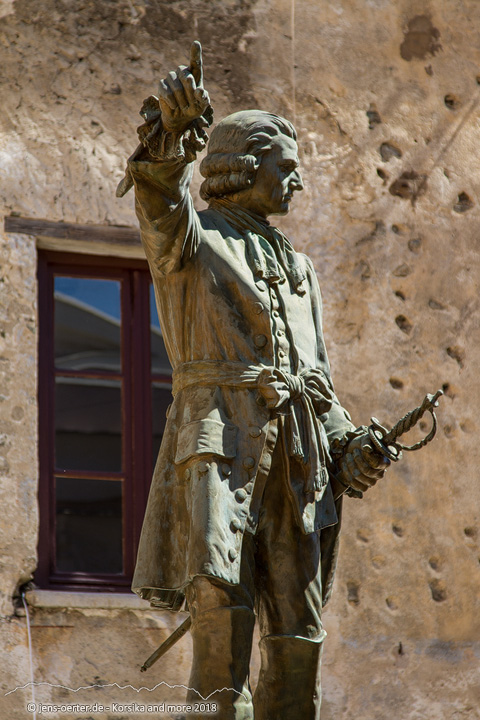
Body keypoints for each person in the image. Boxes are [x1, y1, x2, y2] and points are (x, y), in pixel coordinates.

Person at [118, 42, 388, 720]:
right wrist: (171, 137)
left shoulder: (301, 269)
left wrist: (349, 442)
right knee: (223, 623)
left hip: (296, 460)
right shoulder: (193, 242)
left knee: (300, 636)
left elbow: (316, 382)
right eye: (286, 168)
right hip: (221, 446)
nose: (296, 182)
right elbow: (159, 201)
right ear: (243, 166)